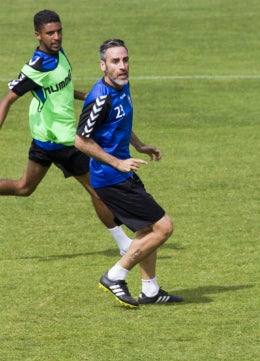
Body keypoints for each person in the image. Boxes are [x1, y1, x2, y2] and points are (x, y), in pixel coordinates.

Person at [0, 10, 132, 255]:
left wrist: (86, 97)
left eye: (59, 31)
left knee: (24, 188)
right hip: (65, 140)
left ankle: (124, 242)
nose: (57, 36)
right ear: (37, 35)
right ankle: (125, 245)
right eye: (50, 33)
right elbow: (7, 100)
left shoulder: (59, 54)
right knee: (97, 189)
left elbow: (60, 88)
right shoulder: (36, 68)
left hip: (45, 138)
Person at [75, 39, 182, 308]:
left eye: (125, 60)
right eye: (115, 61)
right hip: (111, 178)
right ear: (103, 65)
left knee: (147, 229)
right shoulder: (100, 97)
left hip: (123, 173)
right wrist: (117, 163)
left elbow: (120, 123)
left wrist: (139, 144)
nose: (122, 66)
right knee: (163, 227)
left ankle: (150, 290)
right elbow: (81, 141)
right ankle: (116, 275)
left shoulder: (122, 86)